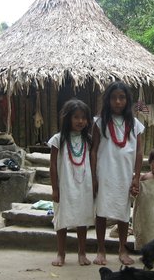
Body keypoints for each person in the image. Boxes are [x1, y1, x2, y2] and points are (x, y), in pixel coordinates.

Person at [90, 81, 145, 265]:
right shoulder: (99, 122)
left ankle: (122, 248)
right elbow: (94, 149)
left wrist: (136, 177)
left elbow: (139, 152)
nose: (118, 101)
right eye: (114, 98)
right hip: (104, 172)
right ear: (108, 100)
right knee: (101, 211)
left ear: (127, 100)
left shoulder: (135, 124)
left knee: (123, 211)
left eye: (122, 98)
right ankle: (101, 249)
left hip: (125, 174)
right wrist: (93, 176)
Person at [48, 99, 94, 266]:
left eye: (84, 117)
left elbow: (92, 162)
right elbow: (52, 165)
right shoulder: (57, 139)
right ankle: (61, 254)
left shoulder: (88, 140)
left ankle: (82, 252)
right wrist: (55, 188)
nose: (80, 121)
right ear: (68, 118)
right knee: (62, 219)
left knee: (82, 219)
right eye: (76, 117)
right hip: (64, 186)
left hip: (84, 186)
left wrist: (94, 184)